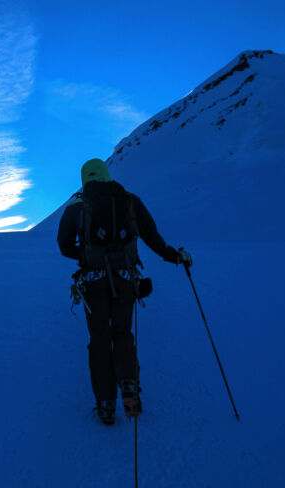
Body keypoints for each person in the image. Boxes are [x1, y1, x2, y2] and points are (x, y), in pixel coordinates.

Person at [57, 158, 192, 425]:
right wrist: (173, 256)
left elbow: (63, 245)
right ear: (107, 175)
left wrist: (85, 255)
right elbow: (152, 236)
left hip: (93, 281)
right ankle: (129, 384)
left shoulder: (76, 205)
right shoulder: (129, 200)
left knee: (99, 339)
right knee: (122, 334)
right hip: (125, 279)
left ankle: (106, 405)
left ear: (85, 178)